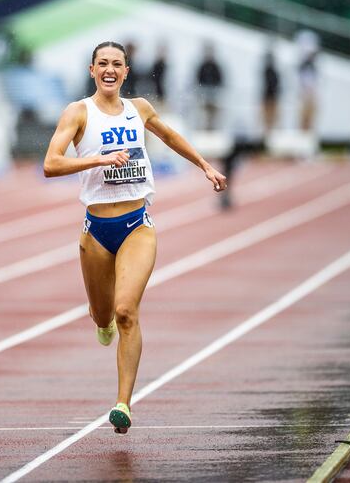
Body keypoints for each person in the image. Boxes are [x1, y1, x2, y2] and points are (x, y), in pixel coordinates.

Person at [43, 41, 226, 434]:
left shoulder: (138, 109)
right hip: (96, 231)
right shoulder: (78, 112)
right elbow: (50, 163)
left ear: (126, 72)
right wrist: (98, 159)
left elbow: (170, 136)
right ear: (93, 70)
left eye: (117, 64)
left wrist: (204, 165)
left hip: (136, 225)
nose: (110, 69)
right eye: (103, 64)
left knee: (127, 311)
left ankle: (123, 403)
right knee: (104, 315)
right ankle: (102, 322)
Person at [195, 42, 224, 131]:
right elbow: (198, 79)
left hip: (213, 96)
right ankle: (203, 129)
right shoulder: (202, 66)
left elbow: (219, 80)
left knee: (213, 115)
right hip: (204, 95)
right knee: (203, 115)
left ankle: (212, 130)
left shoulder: (216, 66)